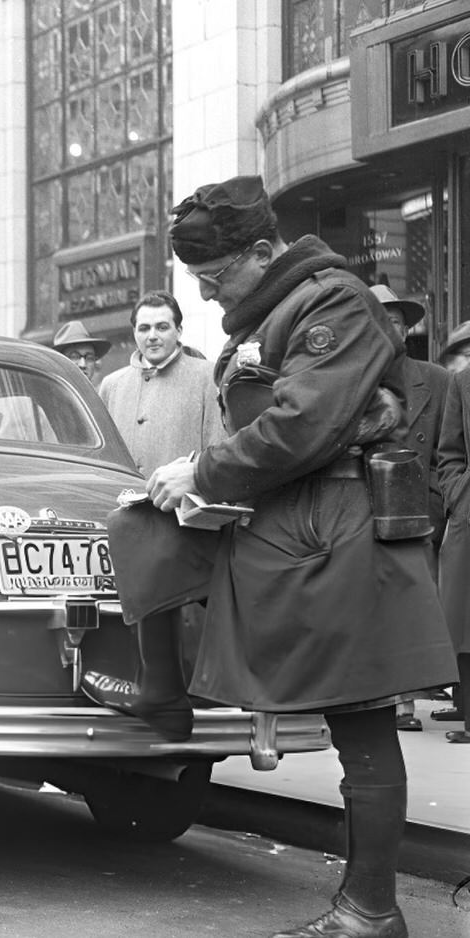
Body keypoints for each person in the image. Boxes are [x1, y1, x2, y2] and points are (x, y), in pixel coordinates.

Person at [83, 175, 455, 938]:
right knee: (142, 533)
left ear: (261, 250)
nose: (213, 297)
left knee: (364, 725)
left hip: (340, 533)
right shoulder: (278, 308)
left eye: (218, 278)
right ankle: (163, 696)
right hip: (292, 523)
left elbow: (301, 425)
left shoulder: (333, 302)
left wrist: (203, 471)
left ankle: (370, 911)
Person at [369, 285, 450, 733]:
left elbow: (447, 447)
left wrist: (436, 498)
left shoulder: (436, 379)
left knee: (413, 606)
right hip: (362, 507)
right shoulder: (350, 378)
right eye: (381, 321)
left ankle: (404, 700)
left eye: (397, 322)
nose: (390, 330)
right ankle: (383, 697)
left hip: (419, 512)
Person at [99, 290, 225, 476]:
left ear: (179, 331)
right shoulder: (112, 385)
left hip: (183, 501)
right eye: (144, 328)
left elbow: (218, 450)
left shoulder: (208, 376)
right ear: (134, 333)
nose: (152, 336)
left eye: (162, 327)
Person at [434, 364, 470, 744]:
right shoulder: (463, 381)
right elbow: (450, 453)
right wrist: (460, 495)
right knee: (465, 622)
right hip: (469, 515)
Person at [51, 320, 110, 385]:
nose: (83, 365)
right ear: (60, 362)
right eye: (75, 357)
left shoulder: (96, 394)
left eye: (89, 358)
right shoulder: (48, 394)